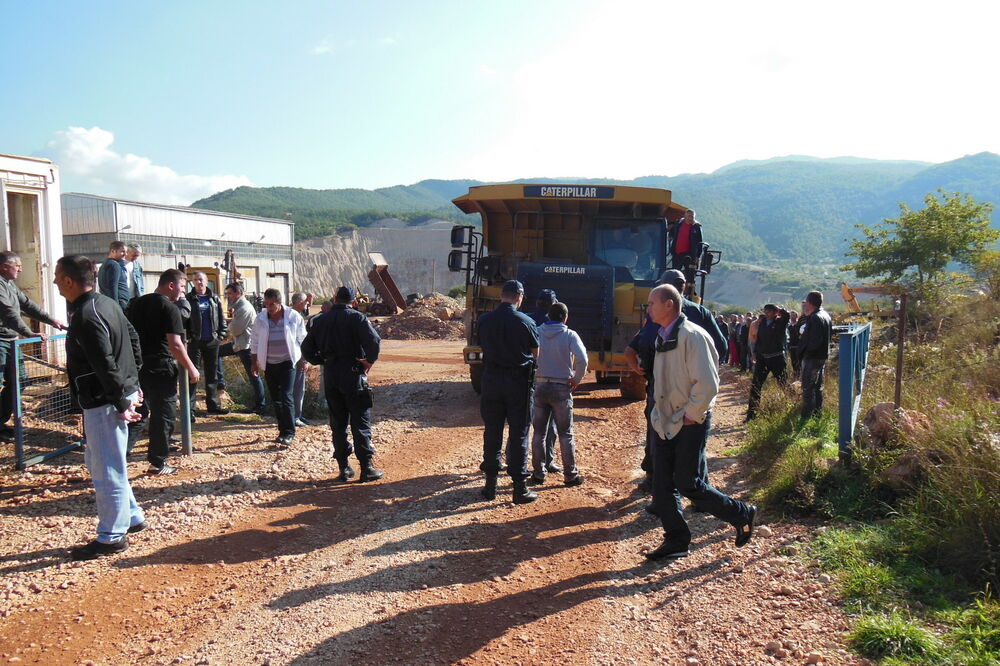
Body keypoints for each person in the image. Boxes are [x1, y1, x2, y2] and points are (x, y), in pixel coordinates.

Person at [644, 284, 758, 560]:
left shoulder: (693, 337)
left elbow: (707, 383)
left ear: (669, 304)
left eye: (651, 303)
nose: (647, 308)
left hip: (689, 421)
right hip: (666, 420)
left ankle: (741, 513)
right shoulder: (663, 336)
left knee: (688, 483)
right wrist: (658, 416)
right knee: (661, 486)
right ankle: (677, 540)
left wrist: (691, 416)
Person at [56, 256, 145, 560]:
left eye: (57, 277)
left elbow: (103, 362)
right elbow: (133, 340)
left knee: (107, 468)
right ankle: (131, 516)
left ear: (69, 281)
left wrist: (121, 398)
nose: (55, 282)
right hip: (116, 393)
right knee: (101, 460)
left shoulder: (85, 315)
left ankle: (111, 536)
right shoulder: (106, 303)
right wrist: (133, 384)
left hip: (106, 400)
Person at [300, 286, 383, 482]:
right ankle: (366, 467)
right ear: (353, 301)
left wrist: (322, 360)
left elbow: (306, 348)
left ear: (335, 299)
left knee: (338, 423)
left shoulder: (320, 320)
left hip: (331, 374)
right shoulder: (357, 318)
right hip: (353, 372)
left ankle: (344, 468)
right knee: (360, 420)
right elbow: (374, 342)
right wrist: (368, 361)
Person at [128, 269, 202, 475]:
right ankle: (158, 463)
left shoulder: (137, 304)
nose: (183, 292)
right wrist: (191, 367)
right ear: (170, 285)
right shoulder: (169, 308)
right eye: (181, 286)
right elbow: (176, 344)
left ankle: (120, 456)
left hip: (137, 367)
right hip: (161, 367)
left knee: (138, 413)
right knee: (164, 414)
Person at [475, 280, 539, 504]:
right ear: (519, 297)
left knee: (492, 431)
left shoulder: (484, 321)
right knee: (519, 433)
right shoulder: (526, 322)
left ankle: (489, 486)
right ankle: (519, 488)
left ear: (501, 296)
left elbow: (481, 346)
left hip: (491, 380)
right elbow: (535, 352)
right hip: (518, 384)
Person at [0, 252, 67, 438]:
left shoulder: (10, 285)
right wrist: (29, 333)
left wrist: (52, 320)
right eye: (17, 265)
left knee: (20, 379)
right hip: (1, 341)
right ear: (4, 266)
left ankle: (1, 421)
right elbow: (8, 313)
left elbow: (27, 305)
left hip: (10, 340)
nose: (21, 269)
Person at [528, 302, 587, 486]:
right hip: (561, 388)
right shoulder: (570, 335)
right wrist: (576, 379)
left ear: (548, 316)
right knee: (565, 434)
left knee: (539, 433)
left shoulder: (537, 331)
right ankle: (570, 475)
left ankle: (538, 474)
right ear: (565, 317)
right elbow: (583, 360)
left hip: (540, 386)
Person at [250, 289, 307, 447]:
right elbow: (254, 342)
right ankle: (282, 431)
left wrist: (304, 360)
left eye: (272, 304)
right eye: (266, 304)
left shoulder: (293, 316)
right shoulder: (260, 319)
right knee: (276, 399)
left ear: (280, 302)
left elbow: (302, 339)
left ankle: (289, 432)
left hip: (288, 362)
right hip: (269, 364)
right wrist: (254, 363)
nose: (268, 307)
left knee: (286, 396)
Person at [656, 270, 728, 361]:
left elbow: (646, 345)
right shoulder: (702, 312)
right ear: (684, 287)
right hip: (697, 371)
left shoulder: (656, 312)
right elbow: (721, 346)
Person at [218, 283, 267, 414]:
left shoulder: (244, 308)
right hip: (239, 344)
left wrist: (228, 326)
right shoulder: (238, 306)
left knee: (253, 375)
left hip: (246, 346)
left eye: (230, 293)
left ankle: (260, 406)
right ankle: (219, 384)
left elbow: (236, 329)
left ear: (237, 293)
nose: (228, 296)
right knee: (216, 352)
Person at [185, 272, 229, 417]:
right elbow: (184, 321)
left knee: (212, 374)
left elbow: (221, 319)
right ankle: (190, 409)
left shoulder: (214, 298)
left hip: (212, 341)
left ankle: (213, 405)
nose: (199, 282)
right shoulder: (188, 299)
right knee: (193, 374)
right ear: (193, 282)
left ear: (206, 281)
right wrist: (189, 337)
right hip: (195, 343)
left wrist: (221, 335)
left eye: (201, 280)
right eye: (196, 280)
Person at [526, 289, 560, 474]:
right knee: (551, 425)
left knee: (525, 423)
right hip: (552, 378)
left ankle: (523, 461)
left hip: (531, 377)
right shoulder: (554, 323)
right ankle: (549, 462)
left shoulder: (527, 319)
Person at [746, 304, 790, 421]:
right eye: (765, 311)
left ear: (775, 312)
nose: (767, 313)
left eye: (769, 311)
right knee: (756, 386)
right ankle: (751, 416)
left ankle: (792, 408)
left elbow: (787, 315)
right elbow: (758, 340)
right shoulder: (762, 323)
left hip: (777, 359)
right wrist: (754, 353)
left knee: (784, 384)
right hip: (762, 359)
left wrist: (779, 309)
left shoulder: (780, 322)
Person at [798, 291, 832, 419]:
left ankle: (806, 417)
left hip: (813, 357)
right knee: (817, 387)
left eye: (806, 301)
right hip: (821, 356)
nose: (805, 304)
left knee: (808, 388)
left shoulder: (815, 317)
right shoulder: (825, 315)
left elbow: (815, 341)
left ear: (810, 302)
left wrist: (805, 352)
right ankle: (817, 414)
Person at [290, 292, 313, 426]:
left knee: (298, 388)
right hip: (297, 357)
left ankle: (298, 414)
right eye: (305, 302)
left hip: (293, 357)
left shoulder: (292, 315)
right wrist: (304, 360)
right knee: (297, 388)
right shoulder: (295, 317)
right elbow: (301, 341)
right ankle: (295, 417)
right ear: (299, 303)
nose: (307, 304)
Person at [97, 241, 130, 310]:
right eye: (122, 251)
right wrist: (116, 308)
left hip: (109, 303)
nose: (125, 254)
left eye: (126, 252)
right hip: (119, 305)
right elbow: (112, 287)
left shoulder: (104, 265)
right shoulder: (114, 265)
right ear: (113, 251)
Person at [787, 310, 801, 374]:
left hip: (798, 346)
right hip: (791, 346)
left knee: (799, 361)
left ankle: (799, 374)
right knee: (793, 361)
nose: (792, 317)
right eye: (791, 315)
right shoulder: (789, 326)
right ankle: (795, 374)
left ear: (796, 316)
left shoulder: (799, 324)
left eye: (793, 315)